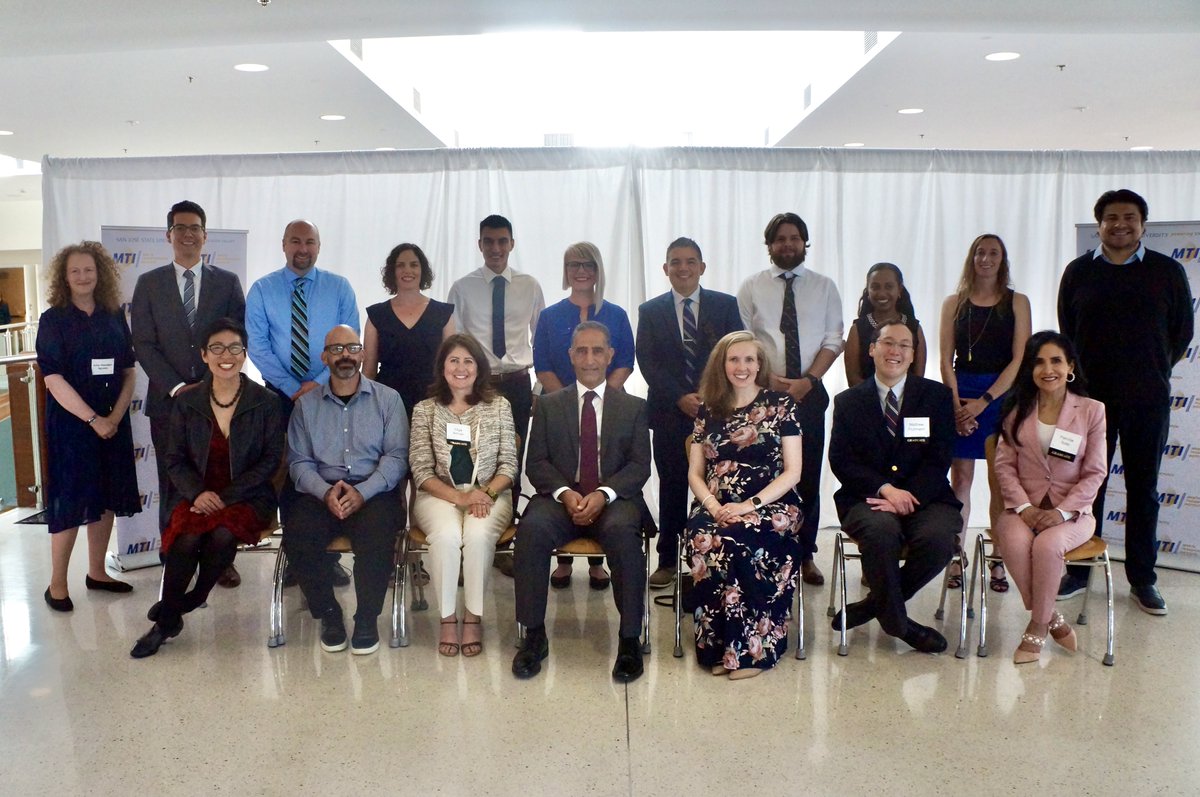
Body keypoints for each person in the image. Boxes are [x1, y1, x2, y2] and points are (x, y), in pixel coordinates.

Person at [1058, 189, 1194, 615]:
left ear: (1142, 224)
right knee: (1086, 486)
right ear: (1099, 225)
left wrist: (1152, 369)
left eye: (1130, 217)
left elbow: (1182, 333)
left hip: (1147, 399)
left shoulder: (1167, 271)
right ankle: (1078, 570)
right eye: (1112, 217)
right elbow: (1068, 331)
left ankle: (1143, 579)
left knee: (1143, 489)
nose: (1120, 224)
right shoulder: (1079, 272)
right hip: (1088, 401)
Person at [130, 318, 284, 657]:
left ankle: (189, 601)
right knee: (186, 537)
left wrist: (225, 497)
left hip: (247, 495)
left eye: (234, 348)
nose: (226, 355)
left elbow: (270, 461)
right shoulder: (187, 402)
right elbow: (174, 459)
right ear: (203, 355)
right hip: (197, 493)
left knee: (222, 534)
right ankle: (169, 620)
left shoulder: (266, 402)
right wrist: (198, 494)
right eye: (217, 348)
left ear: (244, 354)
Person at [511, 321, 651, 682]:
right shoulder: (547, 405)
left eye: (597, 350)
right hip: (560, 498)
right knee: (531, 530)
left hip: (614, 499)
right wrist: (565, 492)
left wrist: (603, 494)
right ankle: (534, 635)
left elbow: (639, 466)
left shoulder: (633, 407)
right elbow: (536, 462)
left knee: (624, 535)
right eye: (582, 351)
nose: (590, 359)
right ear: (571, 356)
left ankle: (630, 639)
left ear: (610, 355)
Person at [827, 321, 961, 653]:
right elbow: (842, 460)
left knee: (939, 538)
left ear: (913, 355)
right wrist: (885, 489)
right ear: (872, 349)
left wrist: (909, 495)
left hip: (928, 496)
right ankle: (901, 626)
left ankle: (873, 606)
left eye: (904, 345)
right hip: (867, 498)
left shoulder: (936, 397)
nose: (895, 351)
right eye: (888, 343)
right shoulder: (848, 401)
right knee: (880, 531)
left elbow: (940, 457)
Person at [130, 200, 245, 586]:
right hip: (169, 403)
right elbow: (144, 344)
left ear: (205, 235)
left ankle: (221, 559)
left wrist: (212, 383)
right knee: (171, 482)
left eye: (195, 227)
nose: (188, 234)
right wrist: (180, 387)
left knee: (219, 479)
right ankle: (173, 558)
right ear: (169, 236)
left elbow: (236, 338)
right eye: (180, 228)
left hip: (220, 402)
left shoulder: (227, 282)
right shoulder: (149, 284)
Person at [246, 219, 358, 588]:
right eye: (295, 241)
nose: (303, 249)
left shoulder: (339, 287)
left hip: (332, 390)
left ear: (319, 246)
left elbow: (350, 340)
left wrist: (320, 382)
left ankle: (329, 558)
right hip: (279, 395)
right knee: (287, 473)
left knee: (331, 469)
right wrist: (294, 387)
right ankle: (297, 555)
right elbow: (258, 346)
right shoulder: (262, 290)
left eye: (309, 241)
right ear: (283, 245)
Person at [684, 331, 803, 679]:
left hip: (773, 505)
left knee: (738, 539)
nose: (742, 366)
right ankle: (719, 648)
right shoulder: (707, 408)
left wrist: (748, 505)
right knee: (708, 538)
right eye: (734, 359)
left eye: (749, 359)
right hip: (715, 504)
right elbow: (694, 473)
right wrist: (712, 505)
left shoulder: (781, 405)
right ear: (721, 365)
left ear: (760, 364)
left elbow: (793, 472)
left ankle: (753, 653)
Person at [285, 325, 409, 655]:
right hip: (321, 491)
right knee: (298, 532)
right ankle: (329, 613)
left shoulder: (388, 400)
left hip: (373, 490)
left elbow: (397, 458)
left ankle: (366, 618)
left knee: (378, 534)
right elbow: (298, 463)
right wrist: (325, 493)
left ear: (363, 355)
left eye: (352, 348)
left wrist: (363, 492)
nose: (345, 355)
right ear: (324, 357)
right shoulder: (305, 406)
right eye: (336, 349)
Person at [737, 212, 842, 587]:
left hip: (809, 394)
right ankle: (766, 547)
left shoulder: (824, 287)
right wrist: (767, 378)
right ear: (769, 245)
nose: (787, 244)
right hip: (762, 394)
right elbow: (743, 339)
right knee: (764, 473)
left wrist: (808, 381)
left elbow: (833, 340)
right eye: (780, 239)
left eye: (794, 238)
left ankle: (805, 553)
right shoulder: (751, 286)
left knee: (807, 476)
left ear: (804, 243)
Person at [37, 241, 141, 611]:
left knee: (107, 495)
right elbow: (53, 378)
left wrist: (113, 418)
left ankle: (97, 573)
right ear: (64, 278)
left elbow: (128, 370)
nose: (83, 276)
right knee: (70, 501)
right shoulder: (53, 320)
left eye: (89, 270)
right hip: (72, 426)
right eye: (75, 271)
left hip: (113, 422)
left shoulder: (114, 314)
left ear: (100, 274)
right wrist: (94, 419)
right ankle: (57, 585)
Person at [992, 331, 1107, 663]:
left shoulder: (1092, 410)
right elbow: (1004, 466)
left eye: (1056, 361)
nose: (1047, 369)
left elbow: (1095, 472)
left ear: (1070, 366)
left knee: (1047, 546)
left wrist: (1062, 512)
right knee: (1012, 540)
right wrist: (1024, 507)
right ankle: (1051, 616)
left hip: (1073, 514)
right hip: (1023, 509)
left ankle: (1038, 626)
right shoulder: (1016, 410)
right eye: (1038, 362)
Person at [636, 237, 743, 590]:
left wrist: (710, 397)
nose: (683, 268)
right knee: (672, 486)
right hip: (669, 412)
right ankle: (667, 560)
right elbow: (647, 362)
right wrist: (679, 397)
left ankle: (714, 558)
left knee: (717, 486)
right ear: (665, 268)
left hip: (718, 411)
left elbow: (735, 355)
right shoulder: (650, 311)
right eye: (676, 262)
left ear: (702, 267)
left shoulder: (725, 305)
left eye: (690, 261)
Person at [447, 214, 544, 576]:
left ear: (512, 244)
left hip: (517, 383)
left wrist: (538, 389)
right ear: (480, 244)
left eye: (502, 241)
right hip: (477, 384)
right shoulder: (462, 287)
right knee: (469, 461)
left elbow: (541, 339)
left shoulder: (529, 286)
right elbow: (455, 343)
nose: (496, 248)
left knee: (509, 461)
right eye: (488, 241)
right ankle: (464, 544)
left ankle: (502, 542)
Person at [534, 241, 635, 591]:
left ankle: (597, 564)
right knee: (564, 474)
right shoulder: (550, 316)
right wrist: (568, 401)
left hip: (606, 408)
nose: (581, 271)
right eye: (573, 265)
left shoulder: (616, 314)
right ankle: (563, 560)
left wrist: (598, 395)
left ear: (597, 270)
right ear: (565, 271)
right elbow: (542, 364)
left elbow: (626, 361)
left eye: (588, 264)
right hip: (558, 410)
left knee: (599, 471)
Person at [409, 334, 516, 657]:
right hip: (439, 496)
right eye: (454, 360)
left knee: (478, 535)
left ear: (479, 368)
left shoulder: (499, 406)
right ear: (442, 367)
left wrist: (485, 493)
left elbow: (509, 465)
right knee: (446, 536)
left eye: (468, 361)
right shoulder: (425, 410)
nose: (461, 367)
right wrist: (460, 498)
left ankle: (472, 616)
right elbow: (421, 470)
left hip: (490, 494)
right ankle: (446, 617)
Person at [937, 234, 1030, 594]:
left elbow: (1020, 359)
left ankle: (998, 559)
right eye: (980, 252)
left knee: (999, 482)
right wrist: (957, 404)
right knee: (960, 479)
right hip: (960, 395)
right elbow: (945, 360)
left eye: (993, 253)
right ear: (971, 258)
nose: (986, 258)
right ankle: (955, 556)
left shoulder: (1017, 302)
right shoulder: (954, 303)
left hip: (1001, 396)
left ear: (1002, 260)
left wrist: (985, 401)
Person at [362, 242, 455, 420]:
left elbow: (450, 367)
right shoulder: (376, 315)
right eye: (400, 265)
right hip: (386, 405)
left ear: (422, 270)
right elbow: (369, 370)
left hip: (433, 404)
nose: (407, 270)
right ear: (392, 271)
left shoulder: (443, 314)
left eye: (414, 265)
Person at [844, 262, 926, 386]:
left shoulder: (914, 328)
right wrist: (881, 396)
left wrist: (896, 396)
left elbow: (919, 380)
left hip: (909, 398)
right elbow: (853, 378)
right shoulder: (858, 329)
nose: (882, 293)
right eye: (875, 287)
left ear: (899, 290)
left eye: (889, 287)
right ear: (868, 291)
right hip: (865, 397)